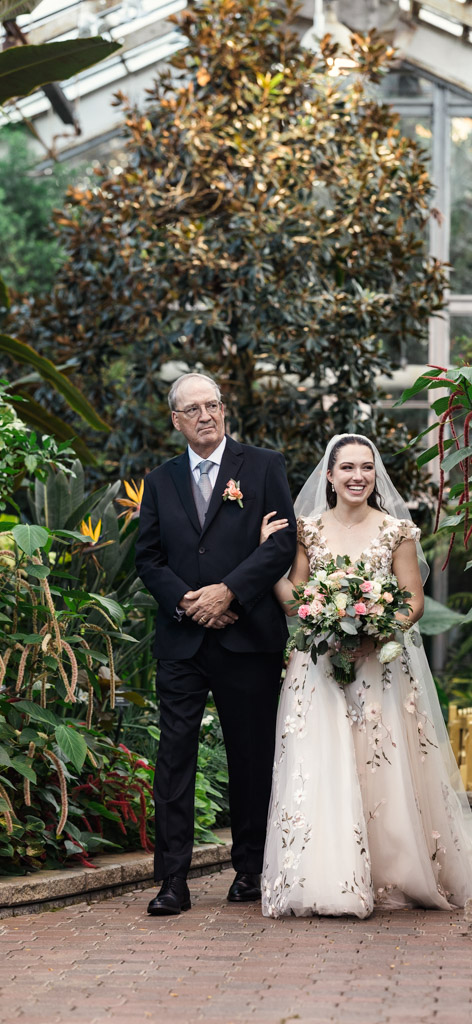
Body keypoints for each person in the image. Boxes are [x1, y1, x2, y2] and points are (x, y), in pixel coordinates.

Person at [256, 433, 472, 918]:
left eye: (366, 467)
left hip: (377, 666)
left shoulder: (396, 532)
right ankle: (324, 877)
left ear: (374, 476)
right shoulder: (308, 531)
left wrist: (379, 629)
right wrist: (268, 564)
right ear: (330, 476)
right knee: (321, 762)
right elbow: (295, 597)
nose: (358, 476)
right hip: (317, 665)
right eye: (348, 468)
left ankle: (389, 873)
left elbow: (414, 600)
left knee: (379, 764)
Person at [135, 372, 297, 915]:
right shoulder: (159, 482)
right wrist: (188, 602)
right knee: (174, 758)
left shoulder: (265, 466)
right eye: (194, 409)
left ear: (224, 411)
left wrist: (229, 592)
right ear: (176, 420)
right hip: (182, 642)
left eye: (214, 405)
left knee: (250, 755)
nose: (207, 415)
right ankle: (172, 880)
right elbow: (148, 559)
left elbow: (282, 546)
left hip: (247, 638)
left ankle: (249, 870)